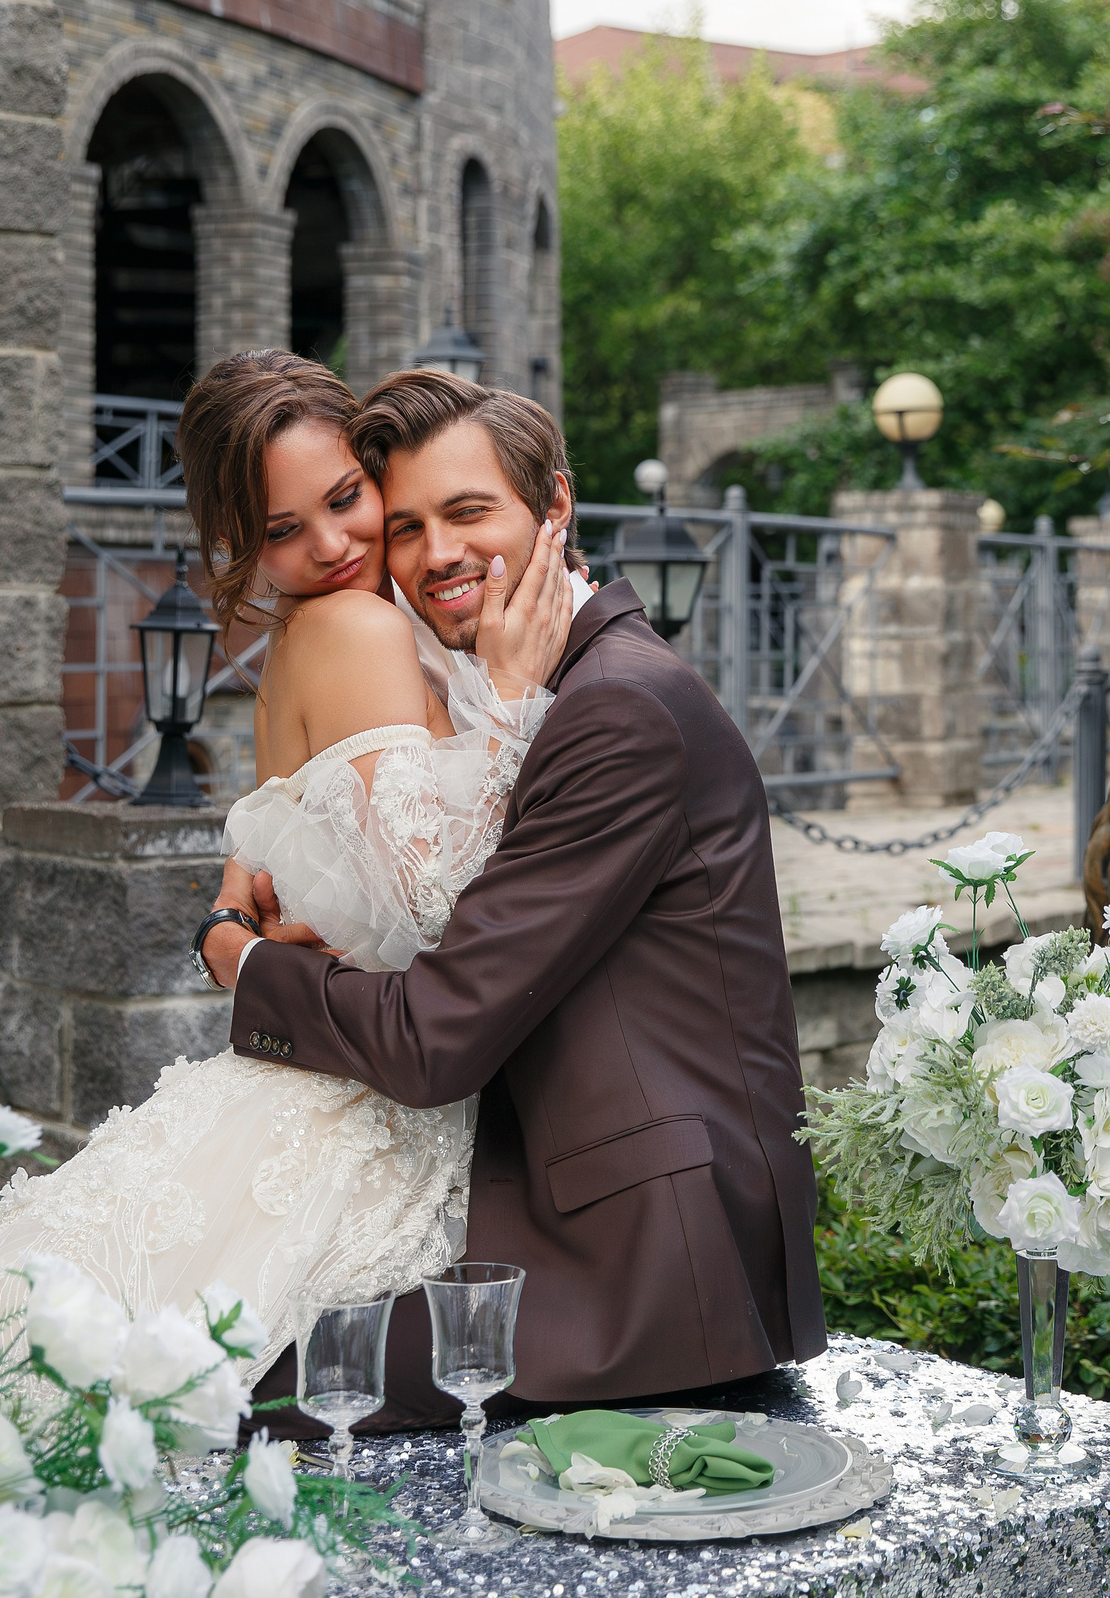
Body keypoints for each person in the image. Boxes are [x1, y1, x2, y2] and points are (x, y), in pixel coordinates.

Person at [0, 351, 577, 1386]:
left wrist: (230, 927)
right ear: (239, 543)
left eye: (344, 499)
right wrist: (511, 709)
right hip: (359, 1106)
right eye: (283, 531)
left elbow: (284, 855)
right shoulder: (361, 624)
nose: (332, 545)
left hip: (309, 1078)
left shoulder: (312, 635)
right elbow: (439, 911)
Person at [202, 369, 825, 1434]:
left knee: (221, 1386)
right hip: (538, 1188)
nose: (434, 553)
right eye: (405, 525)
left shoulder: (612, 709)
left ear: (557, 508)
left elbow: (436, 1036)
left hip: (645, 1268)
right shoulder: (529, 689)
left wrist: (239, 957)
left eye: (468, 512)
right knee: (195, 1334)